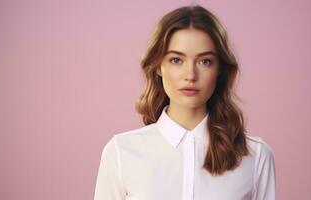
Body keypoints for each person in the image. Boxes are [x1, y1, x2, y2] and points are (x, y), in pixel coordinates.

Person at [94, 5, 276, 200]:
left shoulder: (255, 156)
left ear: (220, 70)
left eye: (204, 61)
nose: (190, 75)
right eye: (176, 60)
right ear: (158, 67)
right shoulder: (121, 152)